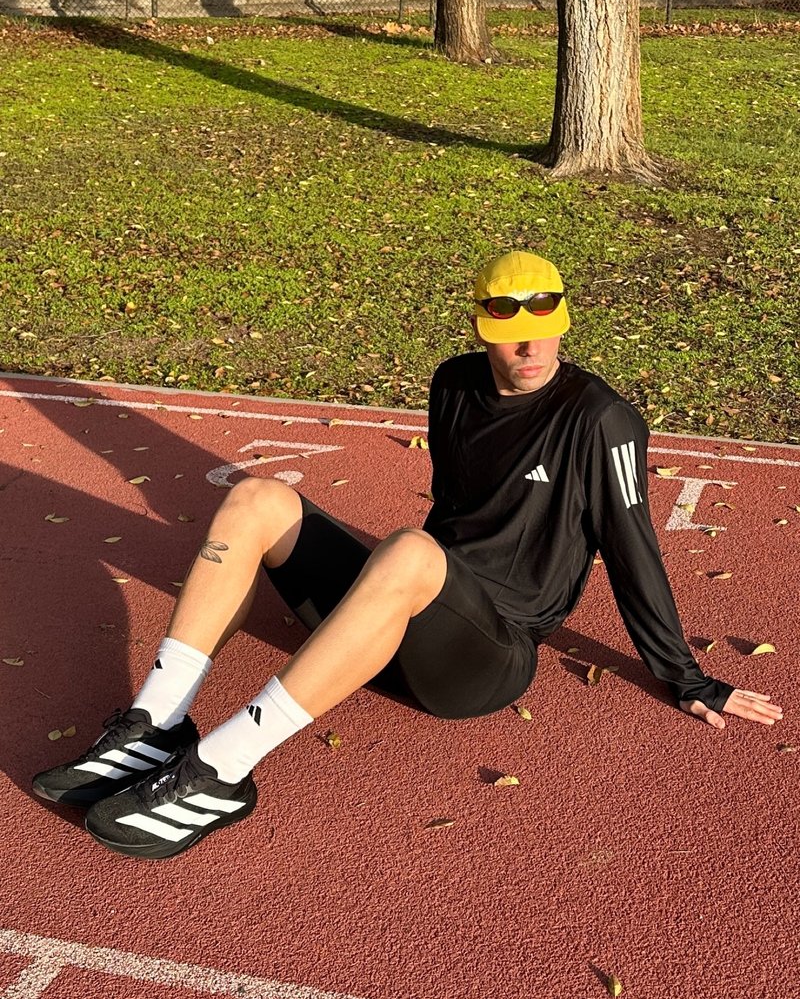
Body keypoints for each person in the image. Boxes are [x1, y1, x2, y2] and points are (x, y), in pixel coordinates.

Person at [33, 251, 782, 860]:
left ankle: (221, 768)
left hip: (486, 654)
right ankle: (158, 721)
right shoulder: (453, 385)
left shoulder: (603, 420)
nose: (529, 345)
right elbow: (456, 507)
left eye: (545, 324)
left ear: (564, 320)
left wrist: (686, 675)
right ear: (480, 324)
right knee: (257, 499)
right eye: (508, 325)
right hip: (403, 607)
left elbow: (634, 549)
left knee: (411, 552)